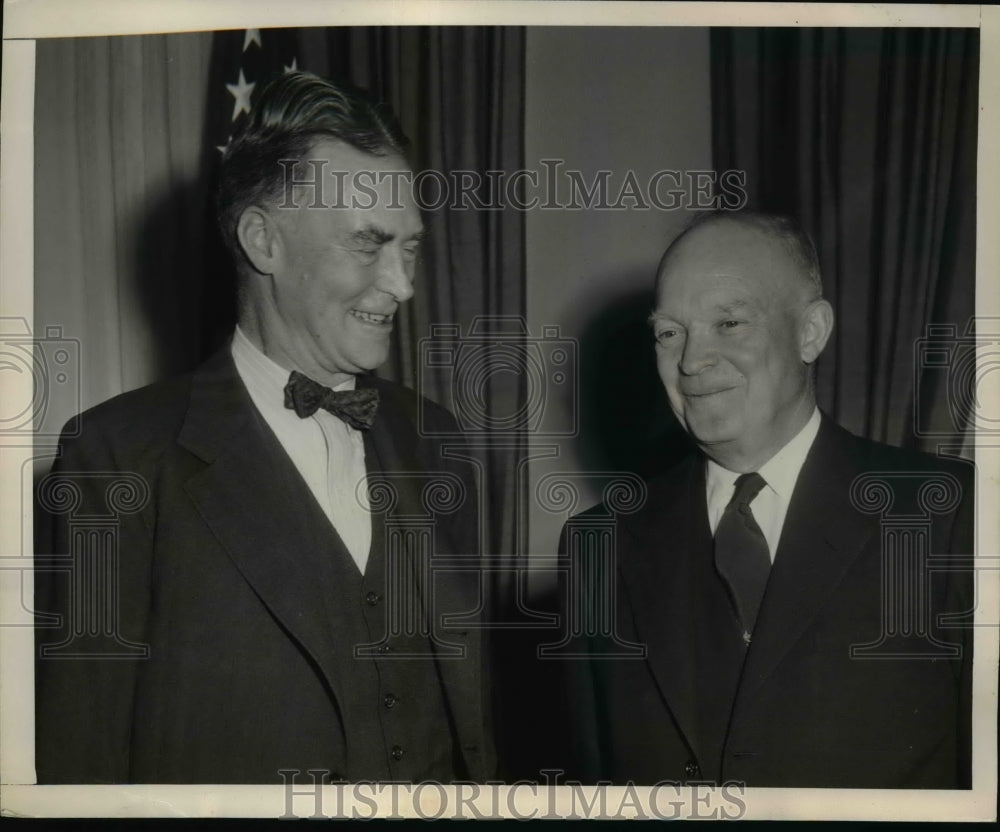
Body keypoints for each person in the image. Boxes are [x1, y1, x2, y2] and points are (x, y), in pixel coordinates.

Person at [35, 71, 493, 784]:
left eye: (410, 247)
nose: (403, 283)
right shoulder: (118, 455)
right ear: (263, 241)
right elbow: (80, 758)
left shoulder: (439, 440)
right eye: (369, 244)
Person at [562, 211, 973, 788]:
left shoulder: (953, 514)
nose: (691, 362)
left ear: (811, 331)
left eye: (728, 322)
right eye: (669, 332)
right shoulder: (597, 544)